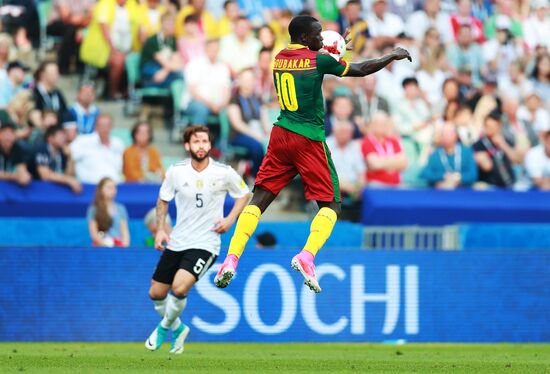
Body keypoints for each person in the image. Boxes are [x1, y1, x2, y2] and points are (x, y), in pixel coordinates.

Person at [214, 15, 411, 293]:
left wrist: (335, 47)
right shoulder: (319, 60)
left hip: (281, 134)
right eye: (318, 34)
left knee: (258, 199)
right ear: (306, 38)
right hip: (308, 138)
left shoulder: (280, 57)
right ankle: (307, 256)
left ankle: (231, 259)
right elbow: (362, 69)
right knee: (332, 205)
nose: (321, 38)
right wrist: (392, 55)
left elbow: (309, 60)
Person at [146, 125, 250, 353]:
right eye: (196, 141)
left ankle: (163, 329)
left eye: (204, 141)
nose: (201, 146)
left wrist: (230, 219)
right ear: (187, 146)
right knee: (156, 293)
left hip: (206, 243)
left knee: (180, 287)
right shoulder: (176, 171)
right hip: (178, 240)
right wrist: (162, 229)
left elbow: (245, 194)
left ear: (210, 145)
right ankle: (179, 328)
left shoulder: (224, 172)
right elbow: (163, 199)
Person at [227, 69, 268, 178]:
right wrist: (256, 135)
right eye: (245, 79)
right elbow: (237, 124)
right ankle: (255, 177)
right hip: (239, 135)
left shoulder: (258, 98)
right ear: (239, 81)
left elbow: (264, 119)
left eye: (250, 79)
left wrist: (268, 132)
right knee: (257, 146)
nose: (248, 82)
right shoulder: (234, 99)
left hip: (258, 132)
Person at [182, 39, 231, 126]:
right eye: (211, 50)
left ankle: (224, 139)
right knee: (201, 109)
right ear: (205, 49)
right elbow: (193, 92)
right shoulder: (195, 64)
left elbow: (227, 90)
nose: (213, 52)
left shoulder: (223, 67)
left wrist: (222, 104)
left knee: (232, 110)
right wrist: (211, 104)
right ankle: (197, 137)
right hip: (196, 102)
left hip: (218, 104)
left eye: (216, 50)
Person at [325, 120, 365, 222]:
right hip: (331, 188)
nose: (345, 135)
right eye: (342, 131)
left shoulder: (355, 146)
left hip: (353, 190)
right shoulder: (325, 145)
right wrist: (343, 185)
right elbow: (324, 174)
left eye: (348, 132)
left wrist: (359, 186)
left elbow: (361, 172)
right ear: (334, 131)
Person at [70, 114, 124, 184]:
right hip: (90, 187)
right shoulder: (83, 141)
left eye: (107, 125)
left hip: (115, 186)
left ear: (111, 127)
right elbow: (68, 152)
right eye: (102, 126)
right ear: (96, 127)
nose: (105, 128)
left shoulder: (118, 143)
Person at [473, 110, 521, 188]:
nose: (489, 129)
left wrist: (503, 145)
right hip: (490, 185)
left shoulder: (506, 141)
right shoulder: (478, 145)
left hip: (510, 184)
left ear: (499, 127)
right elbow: (486, 166)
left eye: (492, 127)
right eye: (487, 126)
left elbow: (517, 160)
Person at [421, 123, 478, 188]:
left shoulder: (466, 152)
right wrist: (443, 176)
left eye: (449, 134)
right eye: (444, 134)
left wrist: (459, 178)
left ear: (456, 135)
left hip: (463, 192)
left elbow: (473, 175)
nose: (446, 137)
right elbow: (425, 174)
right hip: (441, 192)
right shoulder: (435, 153)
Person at [28, 125, 82, 193]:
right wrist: (69, 180)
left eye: (64, 136)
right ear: (50, 138)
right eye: (60, 136)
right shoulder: (42, 148)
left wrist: (70, 158)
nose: (64, 138)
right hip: (34, 190)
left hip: (54, 191)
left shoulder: (62, 152)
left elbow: (68, 175)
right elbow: (45, 176)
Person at [46, 0, 94, 74]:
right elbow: (65, 16)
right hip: (55, 24)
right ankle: (63, 65)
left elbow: (92, 16)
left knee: (83, 32)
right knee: (71, 30)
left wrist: (80, 21)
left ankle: (81, 66)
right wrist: (84, 18)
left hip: (79, 26)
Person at [362, 112, 408, 187]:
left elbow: (404, 164)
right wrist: (395, 163)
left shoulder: (393, 141)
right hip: (376, 185)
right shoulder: (367, 141)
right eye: (379, 124)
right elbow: (375, 164)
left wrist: (382, 162)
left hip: (396, 184)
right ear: (372, 125)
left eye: (385, 123)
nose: (383, 126)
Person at [140, 12, 183, 89]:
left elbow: (179, 63)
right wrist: (169, 67)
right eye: (169, 24)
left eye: (173, 24)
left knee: (180, 76)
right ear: (162, 24)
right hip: (151, 68)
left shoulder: (172, 40)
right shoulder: (153, 40)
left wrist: (165, 71)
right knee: (179, 79)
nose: (171, 26)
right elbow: (162, 61)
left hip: (164, 70)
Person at [87, 177, 130, 247]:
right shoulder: (93, 209)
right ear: (101, 190)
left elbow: (125, 231)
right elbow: (94, 234)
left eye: (114, 188)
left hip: (118, 248)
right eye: (109, 188)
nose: (113, 190)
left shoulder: (121, 208)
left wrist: (124, 247)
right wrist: (106, 246)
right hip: (100, 248)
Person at [0, 120, 31, 186]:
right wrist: (14, 176)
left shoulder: (19, 149)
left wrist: (24, 176)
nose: (8, 137)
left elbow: (22, 174)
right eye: (5, 133)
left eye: (11, 133)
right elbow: (16, 176)